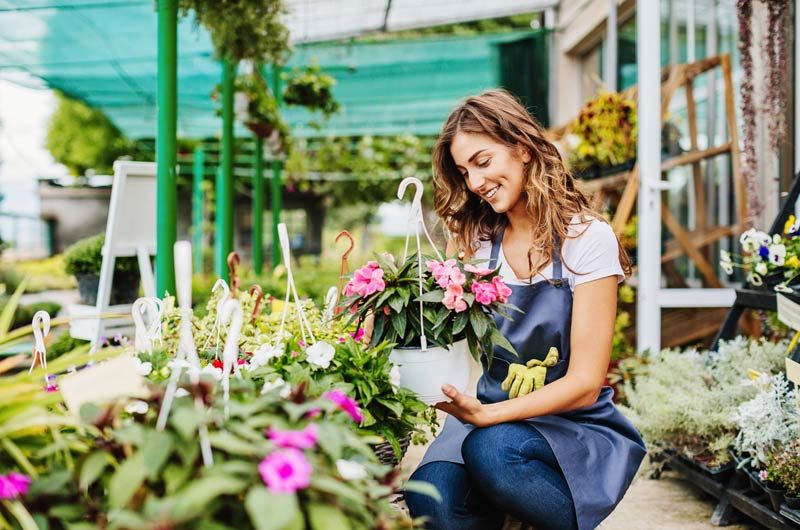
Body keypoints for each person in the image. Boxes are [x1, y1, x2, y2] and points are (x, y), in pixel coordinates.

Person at [404, 89, 646, 530]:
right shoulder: (476, 239)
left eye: (482, 161)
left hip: (569, 422)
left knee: (492, 453)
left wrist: (487, 416)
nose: (475, 182)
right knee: (429, 497)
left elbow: (586, 384)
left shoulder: (585, 239)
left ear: (522, 148)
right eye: (464, 172)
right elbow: (450, 339)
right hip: (489, 414)